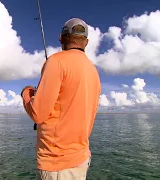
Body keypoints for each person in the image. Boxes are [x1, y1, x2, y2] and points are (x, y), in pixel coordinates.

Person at [21, 18, 101, 180]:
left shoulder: (56, 61)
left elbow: (38, 114)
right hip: (81, 159)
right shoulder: (93, 72)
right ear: (86, 42)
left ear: (61, 38)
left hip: (57, 165)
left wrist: (27, 92)